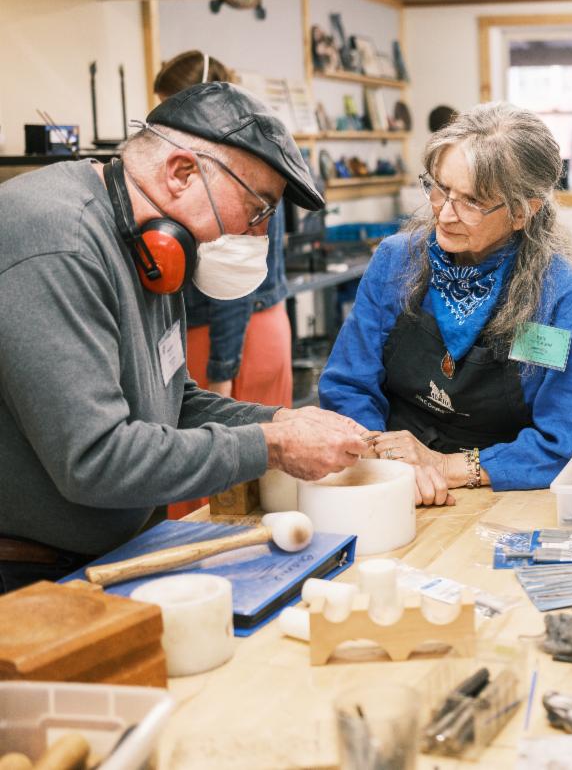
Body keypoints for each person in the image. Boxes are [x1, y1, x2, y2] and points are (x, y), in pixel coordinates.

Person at [0, 82, 367, 593]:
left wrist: (281, 419)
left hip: (113, 550)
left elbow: (171, 402)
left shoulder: (152, 242)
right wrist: (272, 445)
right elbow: (95, 459)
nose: (259, 235)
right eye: (257, 208)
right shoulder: (57, 243)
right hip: (32, 579)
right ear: (181, 173)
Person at [319, 102, 572, 505]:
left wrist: (446, 466)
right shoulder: (396, 262)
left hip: (505, 492)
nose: (445, 214)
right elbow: (348, 384)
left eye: (471, 201)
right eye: (441, 189)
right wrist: (383, 455)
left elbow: (568, 441)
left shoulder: (555, 300)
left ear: (523, 212)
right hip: (397, 484)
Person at [154, 53, 295, 518]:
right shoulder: (253, 155)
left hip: (230, 333)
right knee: (262, 475)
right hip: (260, 328)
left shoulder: (234, 170)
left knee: (221, 488)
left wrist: (221, 370)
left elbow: (232, 284)